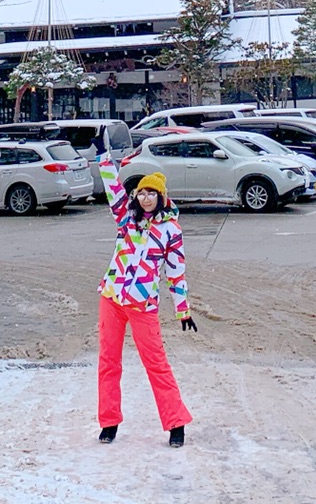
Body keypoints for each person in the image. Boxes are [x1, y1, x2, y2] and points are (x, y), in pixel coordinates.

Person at [95, 141, 196, 447]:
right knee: (108, 362)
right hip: (111, 297)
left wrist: (183, 309)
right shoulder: (126, 219)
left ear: (161, 197)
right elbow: (113, 187)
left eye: (152, 193)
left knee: (157, 364)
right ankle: (108, 422)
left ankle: (175, 423)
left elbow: (175, 273)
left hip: (142, 304)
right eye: (142, 192)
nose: (146, 197)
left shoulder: (170, 231)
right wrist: (103, 158)